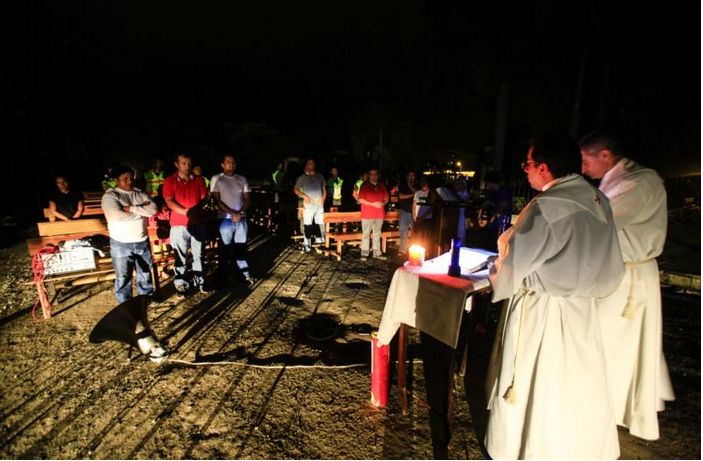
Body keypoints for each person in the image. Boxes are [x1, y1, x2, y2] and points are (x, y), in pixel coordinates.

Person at [485, 133, 625, 459]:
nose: (526, 171)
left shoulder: (547, 207)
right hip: (583, 312)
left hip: (543, 311)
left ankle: (530, 448)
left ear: (544, 167)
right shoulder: (597, 199)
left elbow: (514, 268)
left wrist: (496, 269)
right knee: (576, 382)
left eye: (528, 164)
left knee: (540, 382)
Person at [580, 132, 675, 440]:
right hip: (617, 272)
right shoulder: (617, 180)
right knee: (609, 344)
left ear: (605, 155)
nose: (582, 168)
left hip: (629, 278)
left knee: (614, 346)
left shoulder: (638, 183)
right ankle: (604, 408)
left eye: (585, 160)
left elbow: (601, 222)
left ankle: (611, 409)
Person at [101, 165, 158, 304]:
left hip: (142, 241)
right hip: (121, 243)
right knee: (123, 276)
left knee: (145, 273)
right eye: (124, 179)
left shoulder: (139, 194)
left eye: (131, 178)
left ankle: (145, 301)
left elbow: (153, 210)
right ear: (116, 180)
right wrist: (141, 210)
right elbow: (116, 216)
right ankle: (126, 305)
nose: (129, 181)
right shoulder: (110, 196)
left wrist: (130, 208)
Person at [162, 152, 209, 296]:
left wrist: (195, 211)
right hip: (179, 224)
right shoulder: (170, 181)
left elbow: (204, 198)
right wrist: (186, 212)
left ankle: (200, 281)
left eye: (189, 163)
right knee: (180, 256)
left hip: (198, 222)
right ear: (177, 164)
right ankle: (181, 283)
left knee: (198, 254)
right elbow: (169, 201)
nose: (187, 166)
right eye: (183, 163)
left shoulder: (199, 180)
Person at [211, 154, 253, 285]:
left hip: (241, 218)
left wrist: (239, 212)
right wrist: (232, 213)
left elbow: (247, 199)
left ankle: (244, 274)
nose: (231, 164)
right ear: (222, 165)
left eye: (233, 162)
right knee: (224, 248)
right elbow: (217, 200)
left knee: (241, 247)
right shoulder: (217, 179)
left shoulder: (242, 179)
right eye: (228, 162)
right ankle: (222, 276)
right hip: (225, 219)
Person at [294, 158, 327, 253]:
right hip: (309, 205)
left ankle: (320, 243)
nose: (311, 165)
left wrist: (323, 200)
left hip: (319, 204)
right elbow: (295, 189)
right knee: (308, 224)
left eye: (313, 163)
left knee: (320, 223)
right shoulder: (302, 178)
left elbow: (324, 189)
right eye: (309, 164)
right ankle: (307, 244)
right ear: (306, 166)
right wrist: (304, 196)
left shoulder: (320, 176)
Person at [357, 168, 389, 261]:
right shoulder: (364, 185)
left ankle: (377, 252)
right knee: (366, 234)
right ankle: (365, 252)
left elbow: (386, 198)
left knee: (377, 233)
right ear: (369, 175)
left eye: (375, 174)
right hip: (367, 214)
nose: (374, 176)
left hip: (379, 214)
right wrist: (373, 204)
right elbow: (361, 199)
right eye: (372, 174)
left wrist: (383, 203)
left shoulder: (382, 185)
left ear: (378, 175)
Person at [397, 171, 417, 255]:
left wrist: (410, 187)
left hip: (414, 212)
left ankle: (414, 249)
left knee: (414, 232)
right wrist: (412, 195)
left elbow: (418, 193)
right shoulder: (403, 185)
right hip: (404, 211)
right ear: (407, 177)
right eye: (410, 176)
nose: (411, 177)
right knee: (403, 231)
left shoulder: (417, 185)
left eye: (413, 176)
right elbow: (401, 196)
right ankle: (402, 249)